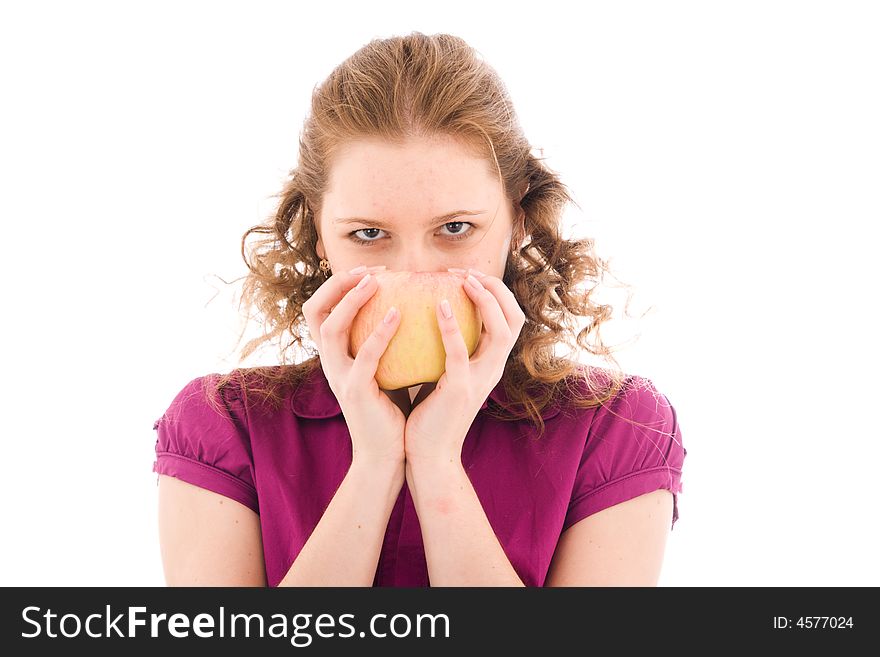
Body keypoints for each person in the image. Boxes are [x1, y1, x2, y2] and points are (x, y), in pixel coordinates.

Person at [152, 32, 687, 587]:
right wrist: (374, 464)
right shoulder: (221, 427)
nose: (415, 272)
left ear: (517, 222)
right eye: (368, 233)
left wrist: (436, 466)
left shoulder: (618, 429)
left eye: (456, 228)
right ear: (319, 236)